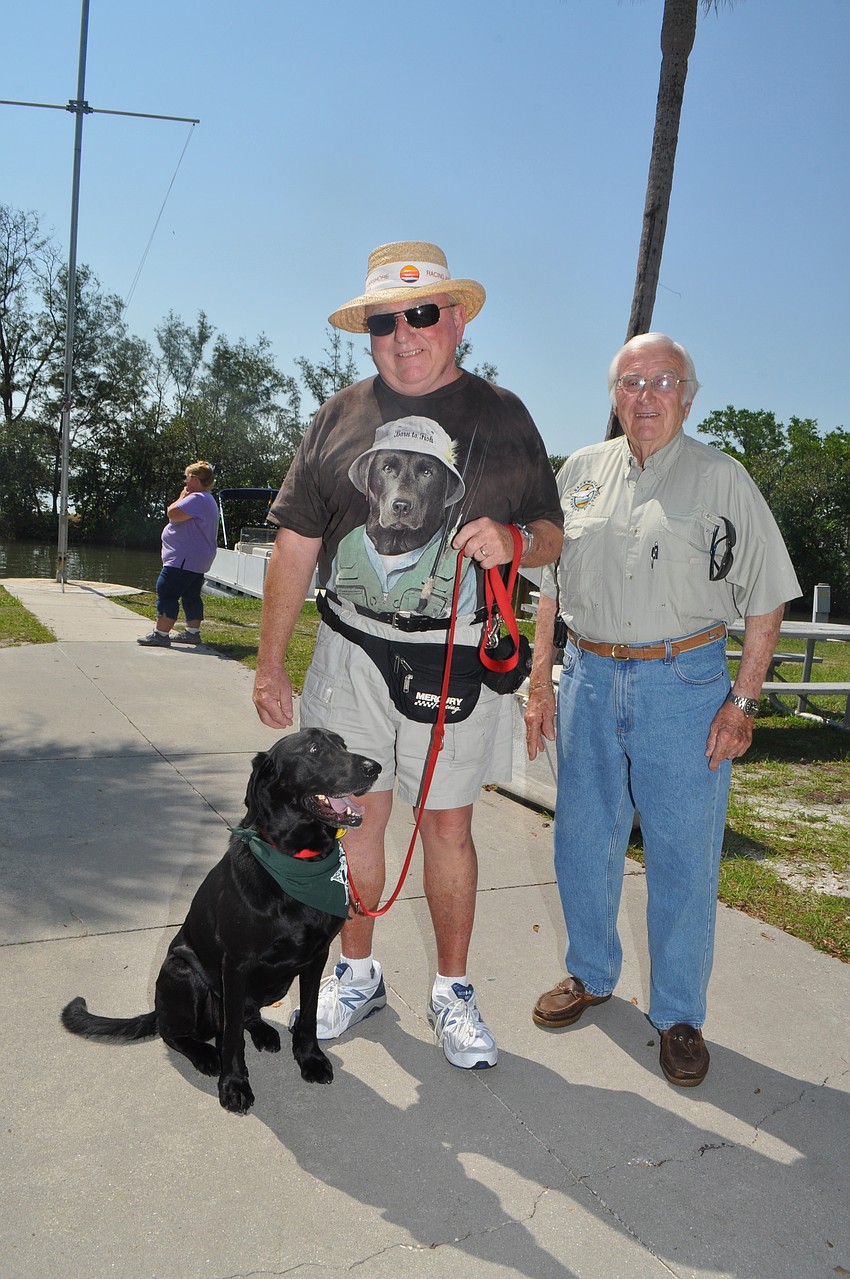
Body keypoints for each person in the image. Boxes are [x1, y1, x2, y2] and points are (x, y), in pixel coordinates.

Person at [253, 240, 563, 1069]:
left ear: (455, 319)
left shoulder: (503, 416)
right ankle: (356, 971)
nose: (406, 332)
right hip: (350, 649)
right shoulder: (339, 414)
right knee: (355, 817)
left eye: (422, 313)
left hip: (453, 659)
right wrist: (270, 662)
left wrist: (514, 539)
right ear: (369, 332)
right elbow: (292, 546)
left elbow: (552, 535)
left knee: (449, 826)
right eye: (386, 319)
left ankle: (453, 991)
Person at [524, 333, 800, 1087]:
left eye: (662, 380)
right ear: (615, 394)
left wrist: (742, 701)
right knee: (583, 838)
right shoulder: (578, 473)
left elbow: (768, 595)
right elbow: (549, 585)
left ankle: (680, 1014)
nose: (645, 395)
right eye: (631, 381)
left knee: (681, 853)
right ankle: (589, 972)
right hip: (586, 675)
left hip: (684, 685)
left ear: (687, 393)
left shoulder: (723, 478)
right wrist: (541, 679)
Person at [137, 460, 219, 648]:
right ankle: (192, 633)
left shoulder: (197, 498)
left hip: (184, 558)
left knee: (167, 589)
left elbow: (173, 513)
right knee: (190, 594)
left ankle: (161, 634)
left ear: (195, 479)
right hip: (196, 558)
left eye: (187, 478)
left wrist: (181, 497)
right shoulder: (208, 499)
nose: (185, 483)